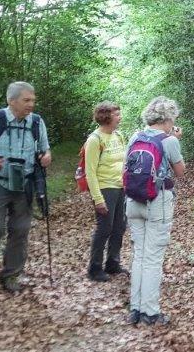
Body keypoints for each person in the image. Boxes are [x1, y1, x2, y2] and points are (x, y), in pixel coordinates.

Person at [0, 81, 52, 293]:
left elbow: (45, 150)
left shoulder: (36, 122)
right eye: (27, 100)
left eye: (33, 100)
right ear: (12, 101)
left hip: (25, 184)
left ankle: (11, 276)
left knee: (20, 230)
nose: (31, 104)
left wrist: (46, 157)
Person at [126, 96, 185, 326]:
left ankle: (135, 309)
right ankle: (150, 312)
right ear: (168, 119)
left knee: (139, 255)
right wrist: (175, 140)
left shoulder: (135, 137)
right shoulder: (169, 141)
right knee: (152, 258)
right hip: (157, 203)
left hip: (133, 201)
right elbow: (180, 171)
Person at [84, 101, 128, 282]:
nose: (120, 118)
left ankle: (113, 263)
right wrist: (98, 198)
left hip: (121, 187)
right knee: (104, 228)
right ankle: (94, 268)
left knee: (120, 226)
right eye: (117, 114)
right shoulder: (95, 140)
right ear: (106, 117)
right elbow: (90, 172)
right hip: (105, 188)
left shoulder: (119, 136)